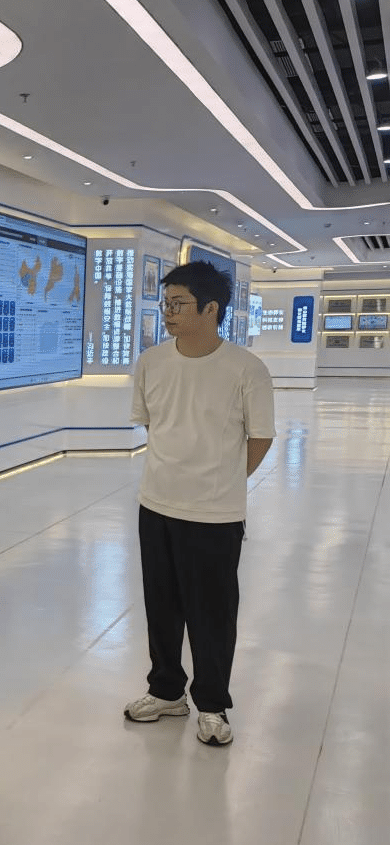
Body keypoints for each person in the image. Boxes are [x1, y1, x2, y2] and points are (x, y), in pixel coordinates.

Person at [123, 260, 275, 747]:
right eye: (165, 303)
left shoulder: (246, 369)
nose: (168, 312)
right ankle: (166, 691)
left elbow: (260, 437)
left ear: (212, 309)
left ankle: (212, 703)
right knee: (161, 606)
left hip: (214, 514)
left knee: (212, 613)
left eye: (179, 303)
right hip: (156, 505)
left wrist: (222, 481)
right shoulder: (151, 362)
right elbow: (154, 425)